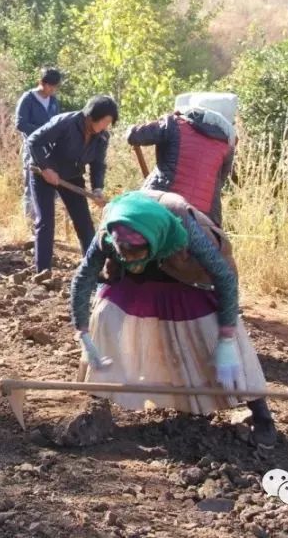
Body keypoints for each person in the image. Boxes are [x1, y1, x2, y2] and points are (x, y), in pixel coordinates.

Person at [70, 190, 277, 449]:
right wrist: (83, 332)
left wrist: (226, 338)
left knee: (209, 328)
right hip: (143, 272)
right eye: (126, 256)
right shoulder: (111, 231)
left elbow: (224, 278)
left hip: (186, 273)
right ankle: (97, 402)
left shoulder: (188, 229)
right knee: (106, 317)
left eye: (136, 255)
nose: (131, 262)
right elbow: (83, 278)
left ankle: (261, 414)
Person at [25, 95, 117, 274]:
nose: (105, 127)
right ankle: (43, 271)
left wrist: (97, 188)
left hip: (73, 176)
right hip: (44, 174)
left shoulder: (102, 137)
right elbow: (34, 141)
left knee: (84, 222)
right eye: (104, 122)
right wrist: (45, 168)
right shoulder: (65, 122)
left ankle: (93, 269)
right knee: (46, 221)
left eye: (109, 123)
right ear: (92, 116)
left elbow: (98, 164)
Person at [125, 92, 237, 226]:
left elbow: (135, 136)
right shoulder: (227, 146)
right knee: (213, 247)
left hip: (161, 203)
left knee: (118, 226)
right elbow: (220, 181)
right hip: (203, 218)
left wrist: (131, 129)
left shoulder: (173, 124)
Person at [15, 68, 62, 221]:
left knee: (53, 186)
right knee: (31, 185)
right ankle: (30, 223)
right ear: (41, 83)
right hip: (33, 148)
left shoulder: (53, 101)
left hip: (51, 150)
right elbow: (20, 124)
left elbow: (57, 122)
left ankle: (47, 221)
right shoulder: (27, 99)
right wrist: (42, 132)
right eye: (50, 86)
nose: (53, 90)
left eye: (55, 87)